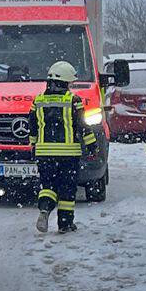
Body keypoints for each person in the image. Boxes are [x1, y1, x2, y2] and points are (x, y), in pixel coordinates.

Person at [33, 60, 95, 234]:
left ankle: (44, 208)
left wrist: (33, 145)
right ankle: (65, 224)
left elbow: (33, 126)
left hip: (44, 154)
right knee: (67, 189)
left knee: (48, 186)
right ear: (66, 82)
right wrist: (91, 146)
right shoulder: (74, 101)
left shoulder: (38, 101)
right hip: (69, 154)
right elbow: (83, 126)